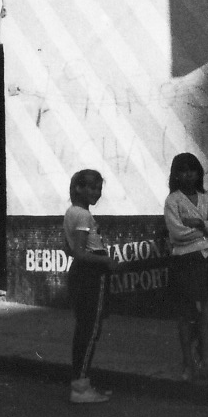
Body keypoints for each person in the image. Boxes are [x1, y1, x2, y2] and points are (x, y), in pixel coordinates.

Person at [165, 152, 208, 379]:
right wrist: (205, 231)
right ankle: (188, 364)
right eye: (182, 171)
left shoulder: (206, 199)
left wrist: (200, 224)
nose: (188, 175)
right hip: (184, 261)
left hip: (205, 259)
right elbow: (177, 233)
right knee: (186, 314)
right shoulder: (173, 201)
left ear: (198, 173)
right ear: (175, 175)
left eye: (192, 170)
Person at [63, 168, 121, 404]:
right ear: (78, 188)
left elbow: (68, 248)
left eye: (99, 188)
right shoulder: (84, 216)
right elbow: (79, 252)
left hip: (81, 274)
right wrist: (105, 261)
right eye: (92, 187)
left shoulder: (71, 212)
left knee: (84, 329)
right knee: (90, 331)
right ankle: (80, 388)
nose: (96, 192)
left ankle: (82, 382)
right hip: (91, 276)